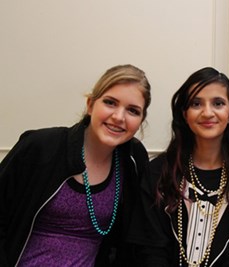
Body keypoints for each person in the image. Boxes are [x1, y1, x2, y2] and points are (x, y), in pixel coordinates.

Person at [0, 64, 151, 267]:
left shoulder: (132, 160)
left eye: (133, 110)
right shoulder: (40, 147)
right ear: (90, 105)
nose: (118, 117)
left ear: (141, 121)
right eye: (110, 103)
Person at [133, 67, 229, 266]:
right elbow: (151, 250)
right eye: (196, 104)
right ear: (184, 114)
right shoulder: (158, 172)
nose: (208, 113)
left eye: (218, 103)